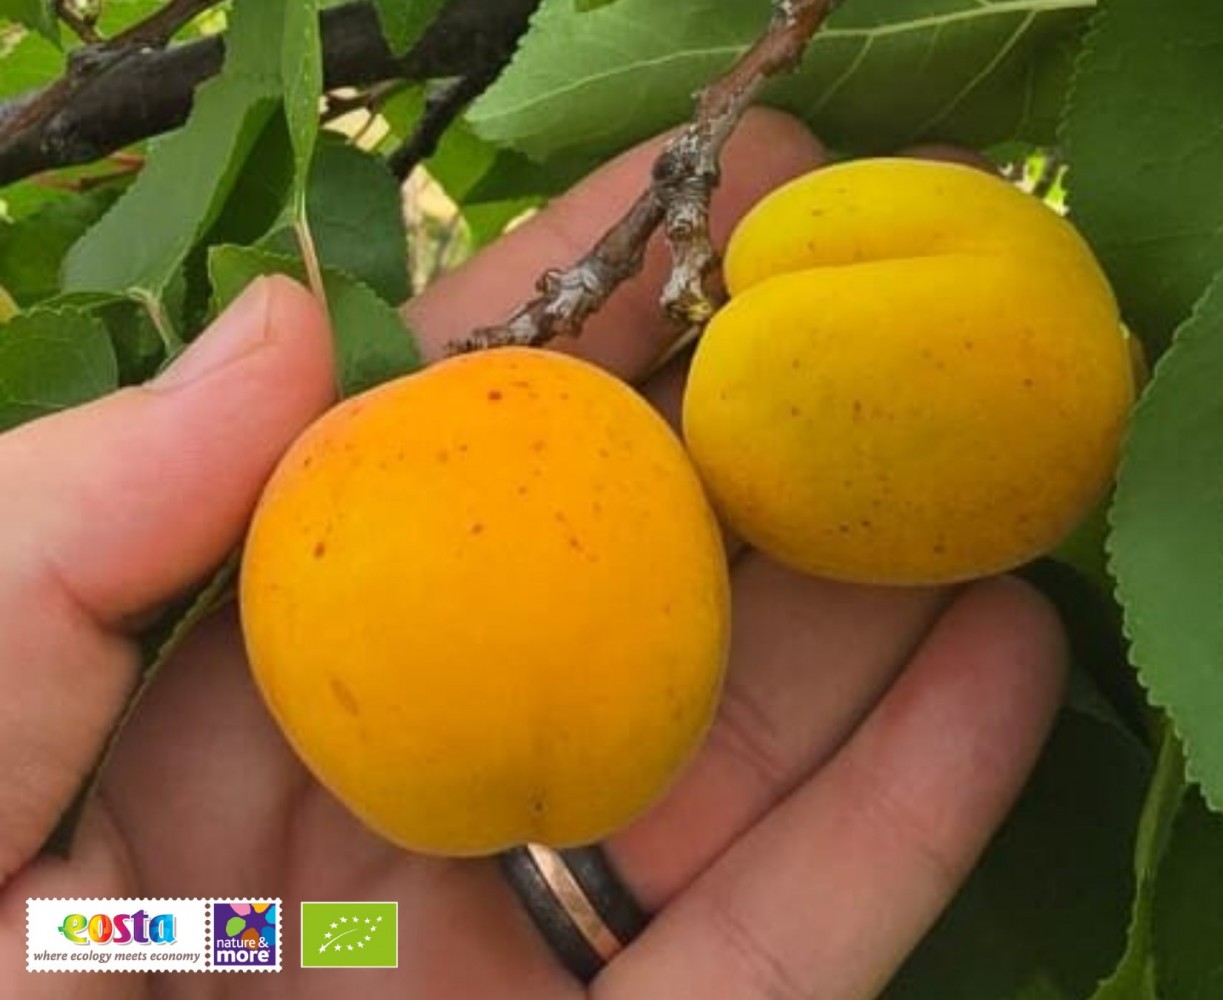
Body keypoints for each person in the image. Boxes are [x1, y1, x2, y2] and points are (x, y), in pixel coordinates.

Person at [0, 109, 1066, 998]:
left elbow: (103, 938)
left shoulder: (123, 925)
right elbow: (100, 937)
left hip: (259, 918)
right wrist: (127, 935)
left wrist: (142, 942)